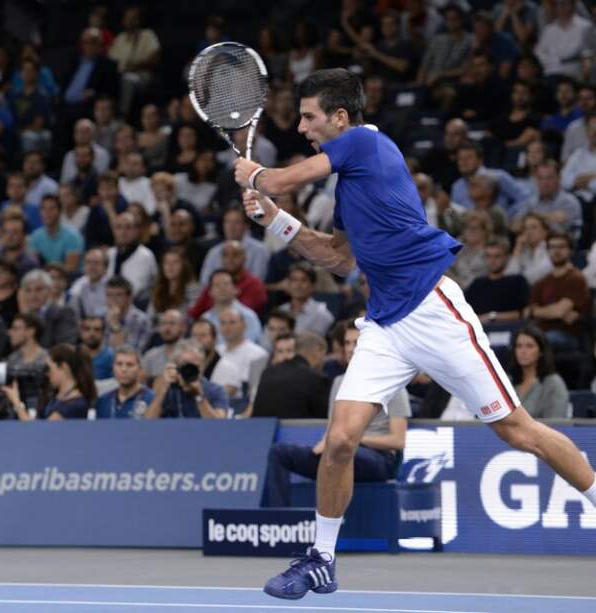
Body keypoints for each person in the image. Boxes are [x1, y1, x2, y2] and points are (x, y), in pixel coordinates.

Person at [234, 68, 596, 600]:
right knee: (340, 440)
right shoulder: (349, 185)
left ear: (339, 117)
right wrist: (274, 220)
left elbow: (281, 179)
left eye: (309, 117)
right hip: (385, 325)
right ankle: (321, 560)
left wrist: (258, 177)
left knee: (518, 431)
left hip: (432, 309)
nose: (303, 128)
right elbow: (338, 258)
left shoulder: (364, 142)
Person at [266, 322, 409, 507]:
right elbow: (333, 428)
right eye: (347, 343)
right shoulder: (339, 382)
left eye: (356, 343)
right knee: (279, 453)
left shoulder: (392, 384)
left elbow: (398, 441)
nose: (350, 348)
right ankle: (281, 519)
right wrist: (327, 442)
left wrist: (353, 440)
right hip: (338, 450)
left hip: (378, 459)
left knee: (342, 450)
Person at [526, 231, 591, 351]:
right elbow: (528, 311)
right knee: (516, 340)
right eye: (552, 247)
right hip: (540, 331)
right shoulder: (542, 282)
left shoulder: (576, 278)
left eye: (561, 246)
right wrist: (540, 311)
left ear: (570, 250)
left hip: (567, 335)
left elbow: (559, 312)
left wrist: (539, 312)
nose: (556, 251)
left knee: (539, 341)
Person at [4, 343, 95, 420]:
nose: (47, 374)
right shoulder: (55, 395)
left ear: (63, 367)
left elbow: (39, 431)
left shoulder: (75, 404)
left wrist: (16, 401)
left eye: (49, 368)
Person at [251, 332, 330, 420]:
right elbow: (324, 419)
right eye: (324, 354)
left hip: (264, 428)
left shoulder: (268, 373)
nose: (323, 360)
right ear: (317, 350)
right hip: (301, 428)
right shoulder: (317, 378)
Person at [145, 339, 228, 419]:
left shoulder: (215, 390)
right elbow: (147, 422)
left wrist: (199, 396)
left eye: (193, 366)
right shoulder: (168, 389)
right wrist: (163, 390)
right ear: (176, 366)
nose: (188, 371)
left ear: (202, 366)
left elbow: (219, 424)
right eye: (184, 365)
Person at [508, 325, 570, 419]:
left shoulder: (553, 383)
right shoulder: (507, 381)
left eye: (529, 346)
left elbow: (557, 423)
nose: (523, 351)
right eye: (519, 346)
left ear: (541, 351)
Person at [464, 237, 529, 325]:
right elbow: (465, 312)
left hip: (510, 329)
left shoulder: (517, 281)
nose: (492, 261)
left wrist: (491, 316)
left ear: (506, 258)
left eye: (497, 256)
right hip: (480, 330)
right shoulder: (477, 284)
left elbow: (523, 313)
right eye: (488, 256)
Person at [210, 307, 269, 399]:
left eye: (232, 322)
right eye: (222, 323)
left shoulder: (258, 354)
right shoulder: (214, 351)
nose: (227, 327)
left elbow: (249, 387)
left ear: (244, 325)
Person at [19, 269, 78, 347]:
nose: (33, 295)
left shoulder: (64, 313)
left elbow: (65, 347)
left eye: (38, 289)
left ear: (50, 290)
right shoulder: (23, 316)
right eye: (28, 291)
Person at [29, 194, 84, 274]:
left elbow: (71, 269)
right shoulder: (36, 236)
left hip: (68, 278)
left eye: (52, 208)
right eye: (43, 209)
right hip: (43, 277)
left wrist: (51, 268)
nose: (47, 212)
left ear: (60, 211)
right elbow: (34, 265)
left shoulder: (73, 236)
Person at [95, 347, 155, 419]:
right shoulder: (103, 401)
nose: (124, 369)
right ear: (113, 368)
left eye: (130, 365)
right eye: (119, 364)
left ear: (139, 369)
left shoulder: (151, 399)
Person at [104, 275, 151, 352]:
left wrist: (115, 326)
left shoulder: (141, 320)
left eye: (118, 295)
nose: (113, 299)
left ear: (129, 297)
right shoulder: (104, 317)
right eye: (109, 295)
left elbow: (131, 353)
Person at [141, 309, 186, 381]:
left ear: (182, 327)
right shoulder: (151, 356)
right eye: (163, 323)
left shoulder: (191, 354)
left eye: (172, 323)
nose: (167, 328)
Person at [69, 248, 109, 318]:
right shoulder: (79, 284)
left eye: (96, 263)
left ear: (105, 267)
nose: (92, 267)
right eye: (88, 262)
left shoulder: (112, 286)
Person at [78, 315, 114, 381]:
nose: (92, 333)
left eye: (97, 329)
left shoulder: (111, 357)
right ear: (81, 332)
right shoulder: (72, 356)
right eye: (87, 329)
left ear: (103, 333)